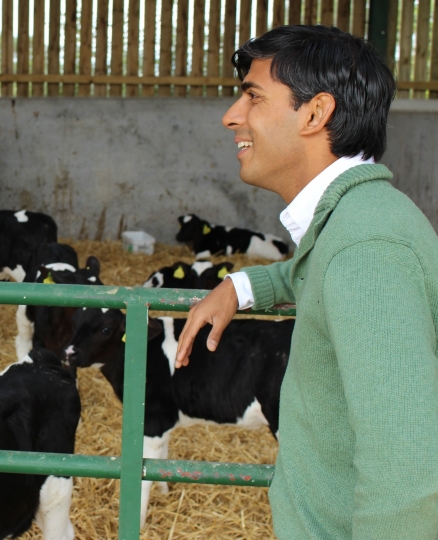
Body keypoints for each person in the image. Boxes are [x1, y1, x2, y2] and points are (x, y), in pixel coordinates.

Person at [175, 24, 438, 539]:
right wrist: (244, 287)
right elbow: (317, 275)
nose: (232, 115)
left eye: (253, 96)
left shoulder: (367, 250)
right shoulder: (353, 224)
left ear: (316, 114)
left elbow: (408, 471)